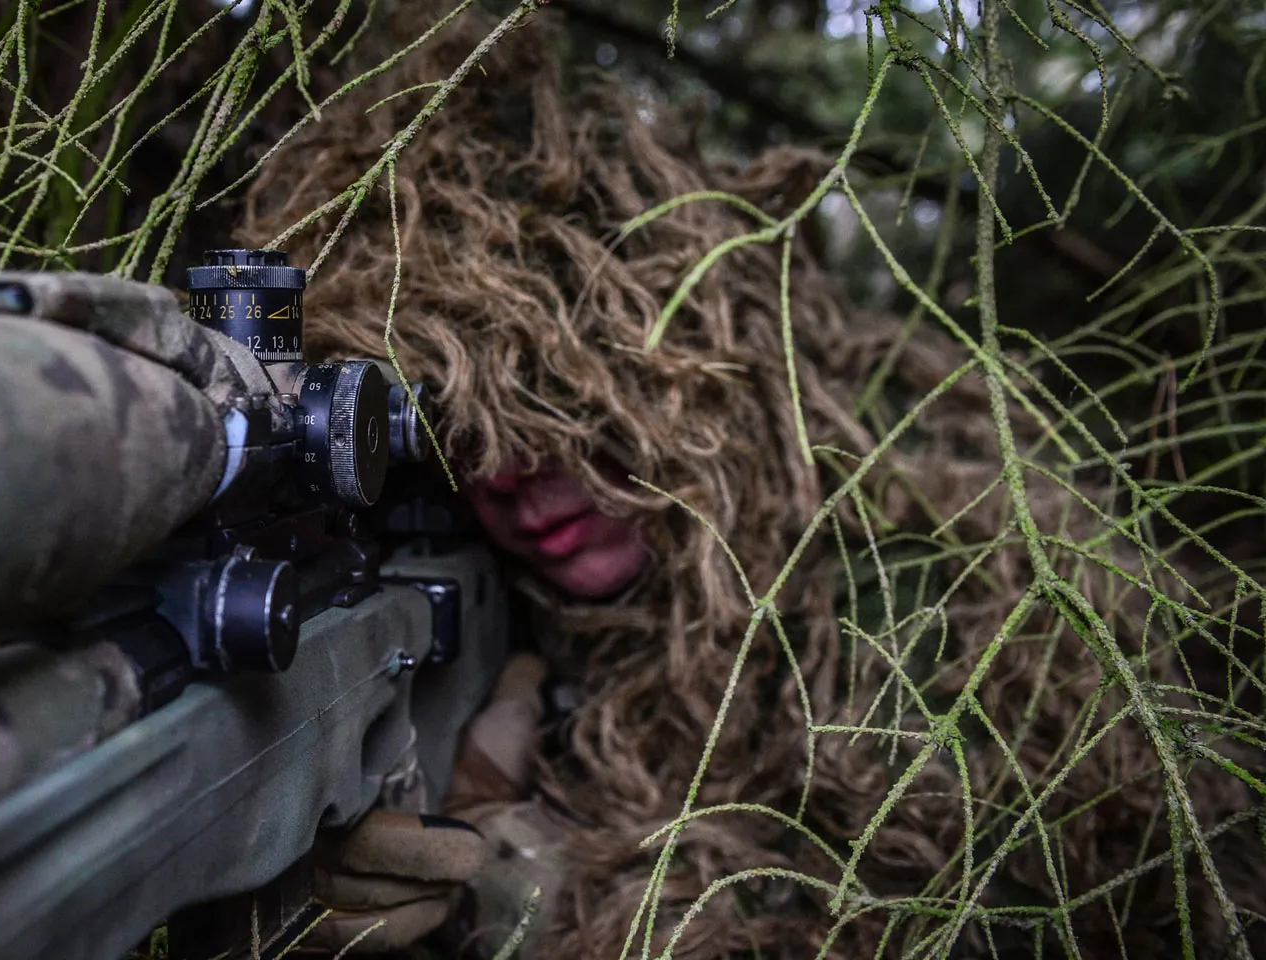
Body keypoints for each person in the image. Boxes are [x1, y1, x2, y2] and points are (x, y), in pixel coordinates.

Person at [237, 8, 1266, 959]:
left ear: (710, 385)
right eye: (461, 440)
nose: (516, 486)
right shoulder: (536, 598)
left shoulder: (942, 597)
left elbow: (934, 904)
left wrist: (510, 884)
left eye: (579, 424)